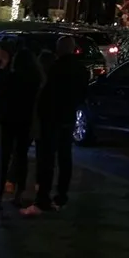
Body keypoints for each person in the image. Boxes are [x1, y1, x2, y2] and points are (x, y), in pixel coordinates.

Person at [21, 36, 88, 216]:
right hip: (68, 117)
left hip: (51, 118)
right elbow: (83, 94)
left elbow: (47, 94)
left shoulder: (55, 68)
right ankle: (61, 197)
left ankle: (43, 198)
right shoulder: (81, 69)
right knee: (65, 158)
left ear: (59, 49)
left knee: (47, 160)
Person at [0, 46, 41, 209]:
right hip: (25, 121)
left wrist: (3, 63)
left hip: (8, 120)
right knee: (21, 158)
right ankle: (19, 195)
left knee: (5, 158)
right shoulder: (34, 80)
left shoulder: (9, 77)